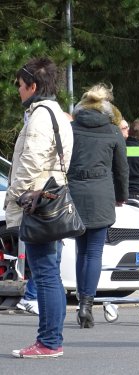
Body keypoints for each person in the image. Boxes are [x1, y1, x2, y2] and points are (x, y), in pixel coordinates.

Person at [6, 57, 73, 358]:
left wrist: (18, 195)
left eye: (20, 86)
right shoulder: (58, 113)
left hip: (36, 202)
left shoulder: (39, 116)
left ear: (33, 86)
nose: (18, 91)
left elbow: (30, 161)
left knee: (43, 273)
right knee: (50, 273)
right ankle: (51, 340)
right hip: (52, 198)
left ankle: (48, 342)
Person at [68, 84, 129, 328]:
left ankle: (81, 302)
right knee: (94, 252)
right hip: (101, 194)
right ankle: (86, 306)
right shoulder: (113, 131)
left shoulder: (71, 128)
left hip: (73, 193)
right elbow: (121, 169)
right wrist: (121, 196)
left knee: (80, 251)